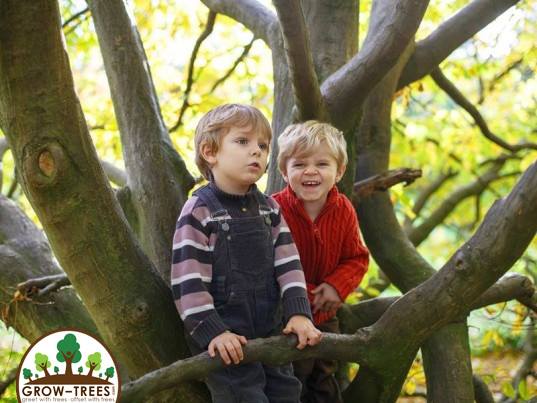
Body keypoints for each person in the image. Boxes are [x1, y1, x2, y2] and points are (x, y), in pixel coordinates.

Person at [171, 104, 322, 403]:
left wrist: (298, 313)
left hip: (271, 330)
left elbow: (289, 265)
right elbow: (187, 282)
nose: (256, 152)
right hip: (227, 340)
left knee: (287, 393)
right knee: (243, 397)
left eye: (263, 146)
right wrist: (214, 333)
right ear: (210, 152)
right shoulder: (199, 211)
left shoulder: (269, 209)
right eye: (243, 142)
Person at [273, 121, 369, 403]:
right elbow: (266, 266)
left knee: (324, 382)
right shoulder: (273, 211)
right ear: (284, 171)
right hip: (284, 316)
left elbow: (356, 257)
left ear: (339, 172)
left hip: (325, 315)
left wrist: (336, 286)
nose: (311, 171)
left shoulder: (344, 210)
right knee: (292, 380)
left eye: (322, 164)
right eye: (300, 164)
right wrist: (303, 293)